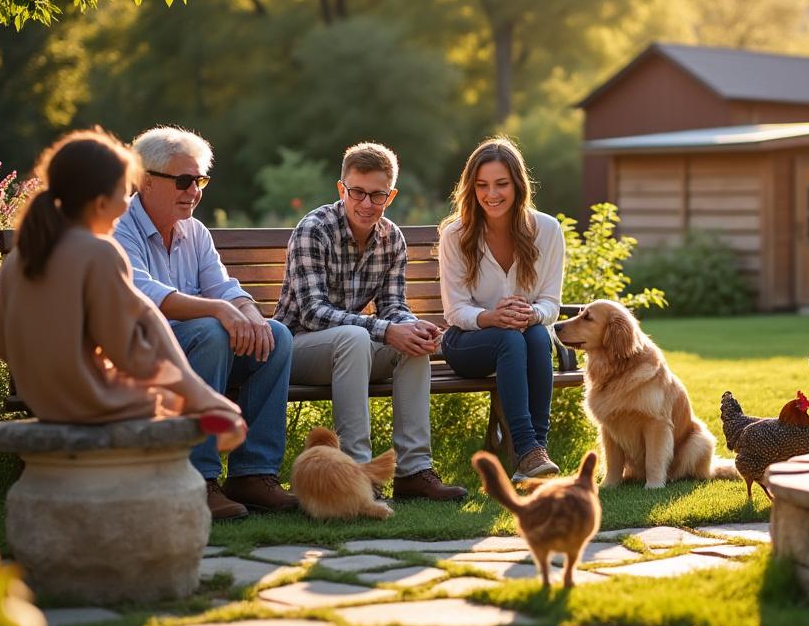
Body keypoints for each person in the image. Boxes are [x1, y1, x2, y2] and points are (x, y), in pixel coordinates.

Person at [0, 129, 246, 454]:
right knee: (171, 394)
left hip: (42, 401)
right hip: (91, 403)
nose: (128, 203)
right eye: (124, 193)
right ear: (100, 201)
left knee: (144, 311)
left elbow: (1, 346)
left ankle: (204, 401)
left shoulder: (19, 258)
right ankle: (209, 407)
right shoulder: (100, 252)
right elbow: (131, 353)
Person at [113, 126, 296, 520]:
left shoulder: (194, 231)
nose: (194, 191)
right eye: (183, 181)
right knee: (212, 332)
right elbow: (141, 292)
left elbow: (222, 285)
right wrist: (218, 311)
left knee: (276, 336)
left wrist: (247, 312)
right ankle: (198, 477)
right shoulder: (118, 227)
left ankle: (253, 474)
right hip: (139, 357)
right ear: (145, 181)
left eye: (199, 180)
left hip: (193, 349)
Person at [275, 142, 467, 501]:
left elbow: (392, 306)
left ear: (390, 196)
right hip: (298, 349)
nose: (366, 204)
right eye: (357, 193)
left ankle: (414, 472)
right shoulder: (314, 229)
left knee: (410, 346)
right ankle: (359, 476)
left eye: (377, 195)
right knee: (354, 336)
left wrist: (413, 326)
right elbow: (313, 313)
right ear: (341, 189)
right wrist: (386, 329)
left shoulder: (391, 238)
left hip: (352, 350)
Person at [438, 137, 565, 482]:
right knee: (510, 340)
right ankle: (528, 449)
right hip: (467, 342)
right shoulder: (456, 235)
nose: (491, 194)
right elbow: (455, 311)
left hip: (527, 337)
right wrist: (491, 317)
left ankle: (536, 456)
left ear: (518, 186)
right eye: (481, 186)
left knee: (537, 336)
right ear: (471, 188)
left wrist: (530, 314)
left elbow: (550, 304)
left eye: (501, 184)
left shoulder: (548, 230)